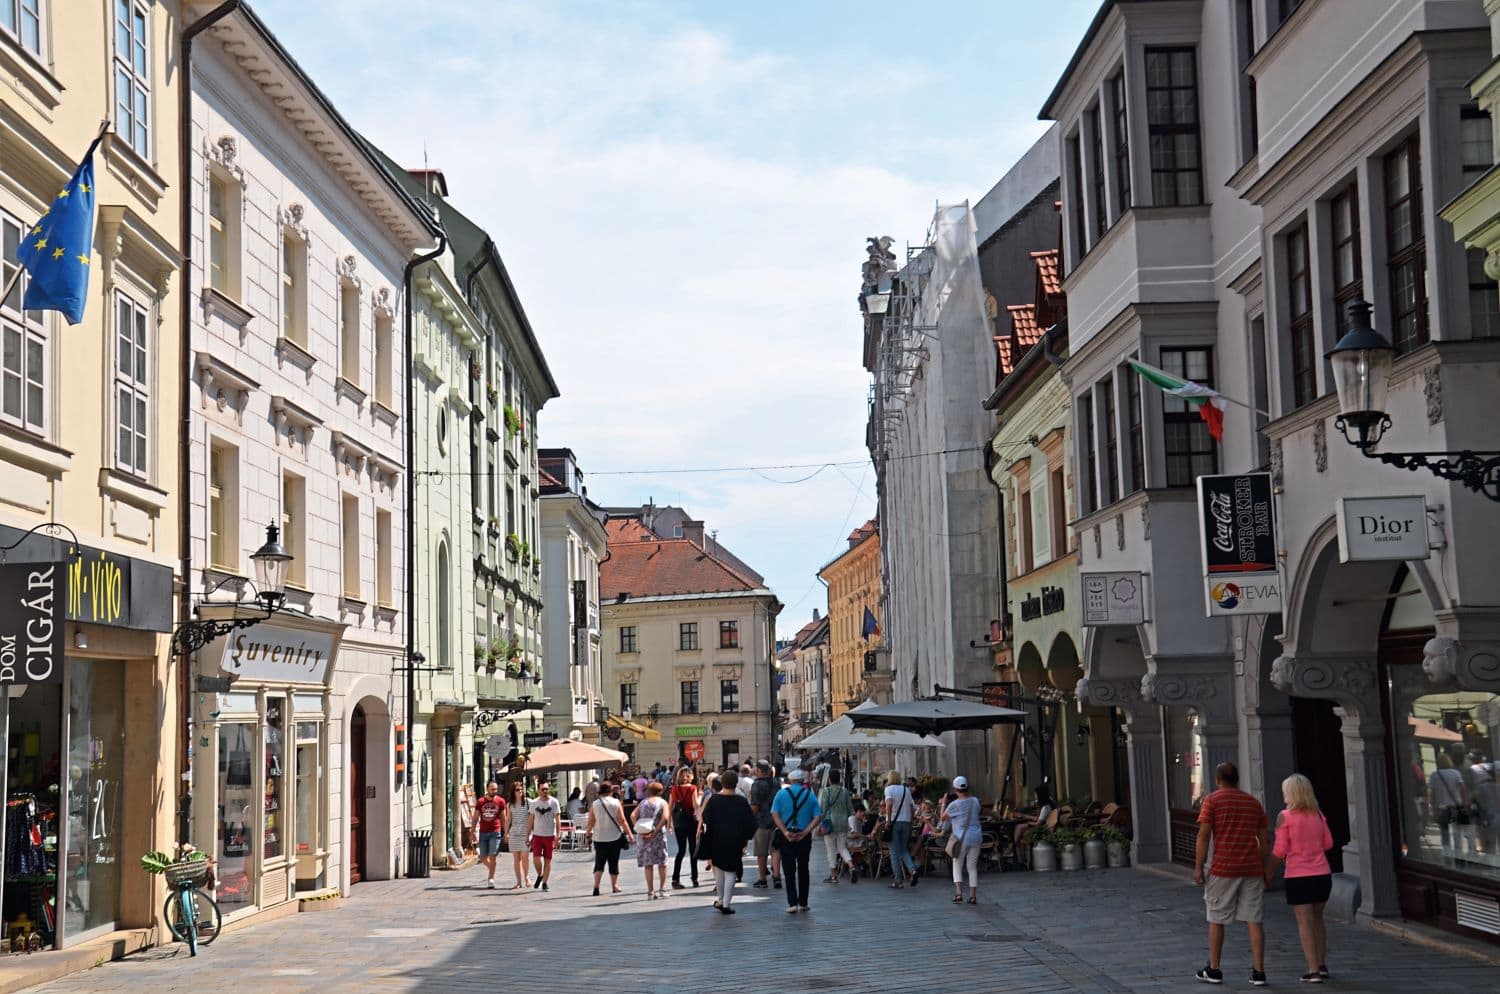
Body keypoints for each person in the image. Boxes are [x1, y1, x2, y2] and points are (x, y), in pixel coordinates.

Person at [1193, 761, 1271, 987]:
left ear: (1218, 780)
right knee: (1254, 920)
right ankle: (1258, 972)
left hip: (1224, 868)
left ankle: (1214, 969)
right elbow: (1265, 840)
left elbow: (1203, 836)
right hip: (1251, 868)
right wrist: (1263, 867)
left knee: (1216, 918)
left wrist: (1199, 867)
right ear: (1237, 780)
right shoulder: (1253, 803)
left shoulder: (1212, 801)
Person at [1270, 774, 1333, 984]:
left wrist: (1267, 873)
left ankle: (1313, 970)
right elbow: (1328, 843)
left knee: (1304, 922)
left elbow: (1280, 851)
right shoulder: (1317, 814)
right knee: (1318, 920)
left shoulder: (1285, 816)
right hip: (1322, 874)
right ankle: (1322, 965)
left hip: (1299, 876)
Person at [700, 770, 757, 914]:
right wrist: (745, 838)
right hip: (735, 840)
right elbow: (750, 822)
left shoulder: (714, 799)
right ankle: (726, 903)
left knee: (718, 870)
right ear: (735, 783)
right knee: (731, 872)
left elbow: (706, 819)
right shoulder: (741, 801)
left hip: (716, 839)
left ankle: (720, 899)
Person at [770, 768, 822, 913]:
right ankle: (803, 903)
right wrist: (806, 831)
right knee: (804, 868)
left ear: (790, 781)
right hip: (803, 836)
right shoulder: (809, 795)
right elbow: (818, 816)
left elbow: (775, 814)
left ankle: (792, 903)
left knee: (788, 870)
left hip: (787, 836)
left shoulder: (781, 794)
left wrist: (785, 831)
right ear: (802, 781)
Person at [585, 781, 633, 896]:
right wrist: (630, 834)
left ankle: (596, 886)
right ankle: (614, 886)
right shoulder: (616, 802)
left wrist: (588, 834)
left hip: (599, 838)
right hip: (614, 837)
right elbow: (622, 821)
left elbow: (591, 822)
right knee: (613, 862)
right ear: (611, 791)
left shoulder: (595, 804)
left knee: (599, 863)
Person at [941, 776, 982, 905]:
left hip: (962, 838)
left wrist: (943, 803)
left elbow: (943, 818)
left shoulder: (954, 805)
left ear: (955, 789)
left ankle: (959, 893)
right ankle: (973, 896)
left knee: (957, 863)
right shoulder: (975, 801)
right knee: (972, 866)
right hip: (976, 837)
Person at [1428, 751, 1471, 854]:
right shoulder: (1455, 773)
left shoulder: (1434, 775)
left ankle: (1447, 856)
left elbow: (1432, 794)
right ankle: (1458, 858)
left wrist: (1433, 809)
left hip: (1441, 807)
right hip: (1455, 806)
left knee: (1444, 834)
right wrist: (1464, 803)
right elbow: (1463, 789)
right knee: (1457, 834)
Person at [883, 769, 919, 889]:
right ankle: (913, 870)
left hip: (894, 823)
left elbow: (888, 804)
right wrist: (912, 821)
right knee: (903, 849)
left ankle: (898, 880)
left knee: (894, 852)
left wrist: (888, 820)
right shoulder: (906, 790)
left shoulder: (889, 789)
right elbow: (912, 807)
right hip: (906, 822)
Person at [634, 780, 670, 899]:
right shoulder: (663, 803)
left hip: (643, 835)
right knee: (662, 863)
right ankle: (662, 889)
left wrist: (639, 828)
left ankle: (650, 891)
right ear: (660, 791)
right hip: (658, 836)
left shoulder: (643, 802)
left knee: (648, 864)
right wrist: (655, 832)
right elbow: (665, 817)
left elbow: (633, 816)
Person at [817, 770, 855, 883]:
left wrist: (819, 823)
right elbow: (850, 810)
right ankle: (851, 865)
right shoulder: (844, 792)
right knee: (842, 848)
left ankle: (833, 875)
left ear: (829, 779)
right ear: (840, 779)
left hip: (829, 823)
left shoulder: (826, 791)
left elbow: (823, 809)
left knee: (831, 850)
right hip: (843, 823)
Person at [750, 760, 782, 889]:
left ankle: (762, 879)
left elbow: (755, 805)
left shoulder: (756, 785)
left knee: (761, 852)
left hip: (761, 822)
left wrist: (748, 817)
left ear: (758, 771)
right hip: (776, 821)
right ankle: (776, 876)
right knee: (775, 849)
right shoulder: (776, 783)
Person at [526, 780, 563, 892]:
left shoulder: (554, 802)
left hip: (549, 835)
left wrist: (558, 835)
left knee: (548, 860)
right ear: (538, 790)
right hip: (537, 835)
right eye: (543, 789)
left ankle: (545, 882)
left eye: (547, 789)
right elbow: (531, 819)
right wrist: (527, 835)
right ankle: (540, 874)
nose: (545, 791)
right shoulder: (534, 803)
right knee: (536, 858)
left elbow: (557, 819)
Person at [670, 767, 702, 889]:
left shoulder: (674, 789)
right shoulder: (693, 788)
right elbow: (696, 805)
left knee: (681, 850)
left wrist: (669, 823)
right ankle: (694, 878)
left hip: (678, 822)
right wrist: (699, 796)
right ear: (690, 776)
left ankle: (675, 878)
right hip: (691, 821)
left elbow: (670, 806)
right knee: (693, 849)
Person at [475, 781, 508, 889]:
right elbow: (475, 817)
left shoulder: (500, 801)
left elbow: (504, 818)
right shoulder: (480, 802)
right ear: (487, 789)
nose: (495, 791)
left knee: (492, 856)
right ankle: (492, 868)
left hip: (495, 831)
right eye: (492, 789)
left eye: (496, 789)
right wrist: (471, 832)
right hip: (483, 832)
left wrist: (506, 832)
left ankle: (491, 878)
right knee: (483, 857)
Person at [505, 779, 531, 889]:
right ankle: (518, 881)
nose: (520, 791)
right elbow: (508, 820)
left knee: (525, 856)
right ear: (513, 792)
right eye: (517, 790)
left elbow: (532, 818)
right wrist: (506, 833)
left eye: (521, 789)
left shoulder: (529, 802)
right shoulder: (510, 805)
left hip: (525, 833)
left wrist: (530, 833)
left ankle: (527, 877)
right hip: (514, 833)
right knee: (516, 859)